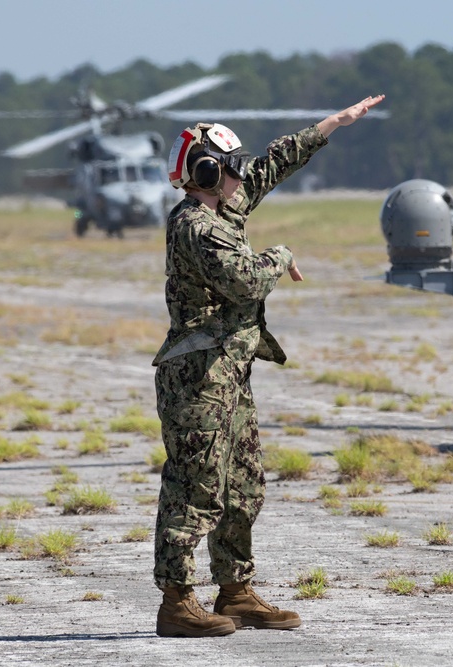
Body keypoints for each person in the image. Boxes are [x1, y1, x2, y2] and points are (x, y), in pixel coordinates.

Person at [152, 94, 385, 638]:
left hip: (228, 372)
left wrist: (334, 123)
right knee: (196, 487)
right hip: (198, 378)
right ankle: (177, 601)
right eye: (229, 169)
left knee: (243, 484)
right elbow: (246, 280)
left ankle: (235, 591)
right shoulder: (196, 226)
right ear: (207, 174)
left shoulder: (220, 206)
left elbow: (273, 164)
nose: (241, 178)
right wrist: (280, 254)